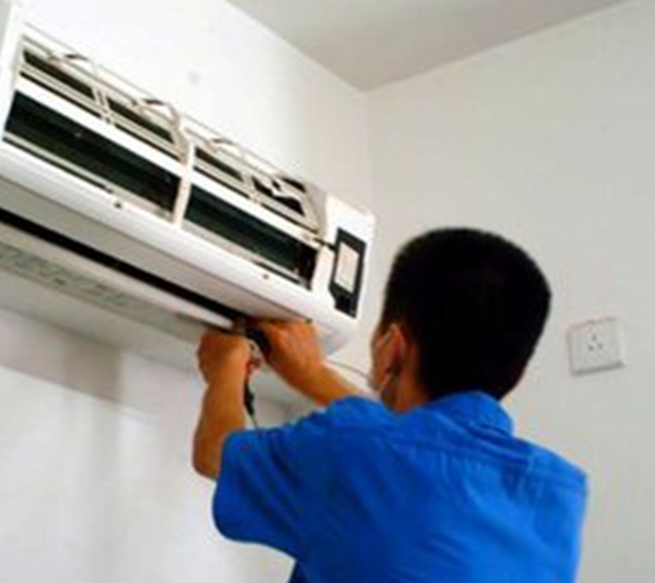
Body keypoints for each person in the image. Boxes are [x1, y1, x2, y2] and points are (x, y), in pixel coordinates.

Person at [192, 228, 587, 583]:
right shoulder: (560, 494)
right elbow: (406, 452)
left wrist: (226, 363)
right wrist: (311, 374)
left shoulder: (349, 449)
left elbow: (215, 454)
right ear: (518, 374)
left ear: (391, 347)